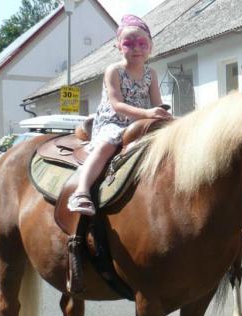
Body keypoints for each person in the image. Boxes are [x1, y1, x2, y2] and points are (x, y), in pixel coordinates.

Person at [68, 14, 171, 215]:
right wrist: (147, 112)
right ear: (118, 46)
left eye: (142, 43)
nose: (136, 48)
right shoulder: (113, 70)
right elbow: (116, 104)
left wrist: (163, 115)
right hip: (114, 121)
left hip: (142, 120)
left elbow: (157, 102)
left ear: (150, 47)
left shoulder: (151, 74)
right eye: (129, 43)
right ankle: (81, 191)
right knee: (107, 145)